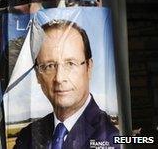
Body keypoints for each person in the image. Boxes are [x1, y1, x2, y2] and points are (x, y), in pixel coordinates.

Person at [14, 20, 120, 149]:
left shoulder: (112, 137)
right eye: (49, 66)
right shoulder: (27, 137)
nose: (59, 78)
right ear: (37, 75)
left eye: (70, 63)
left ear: (89, 67)